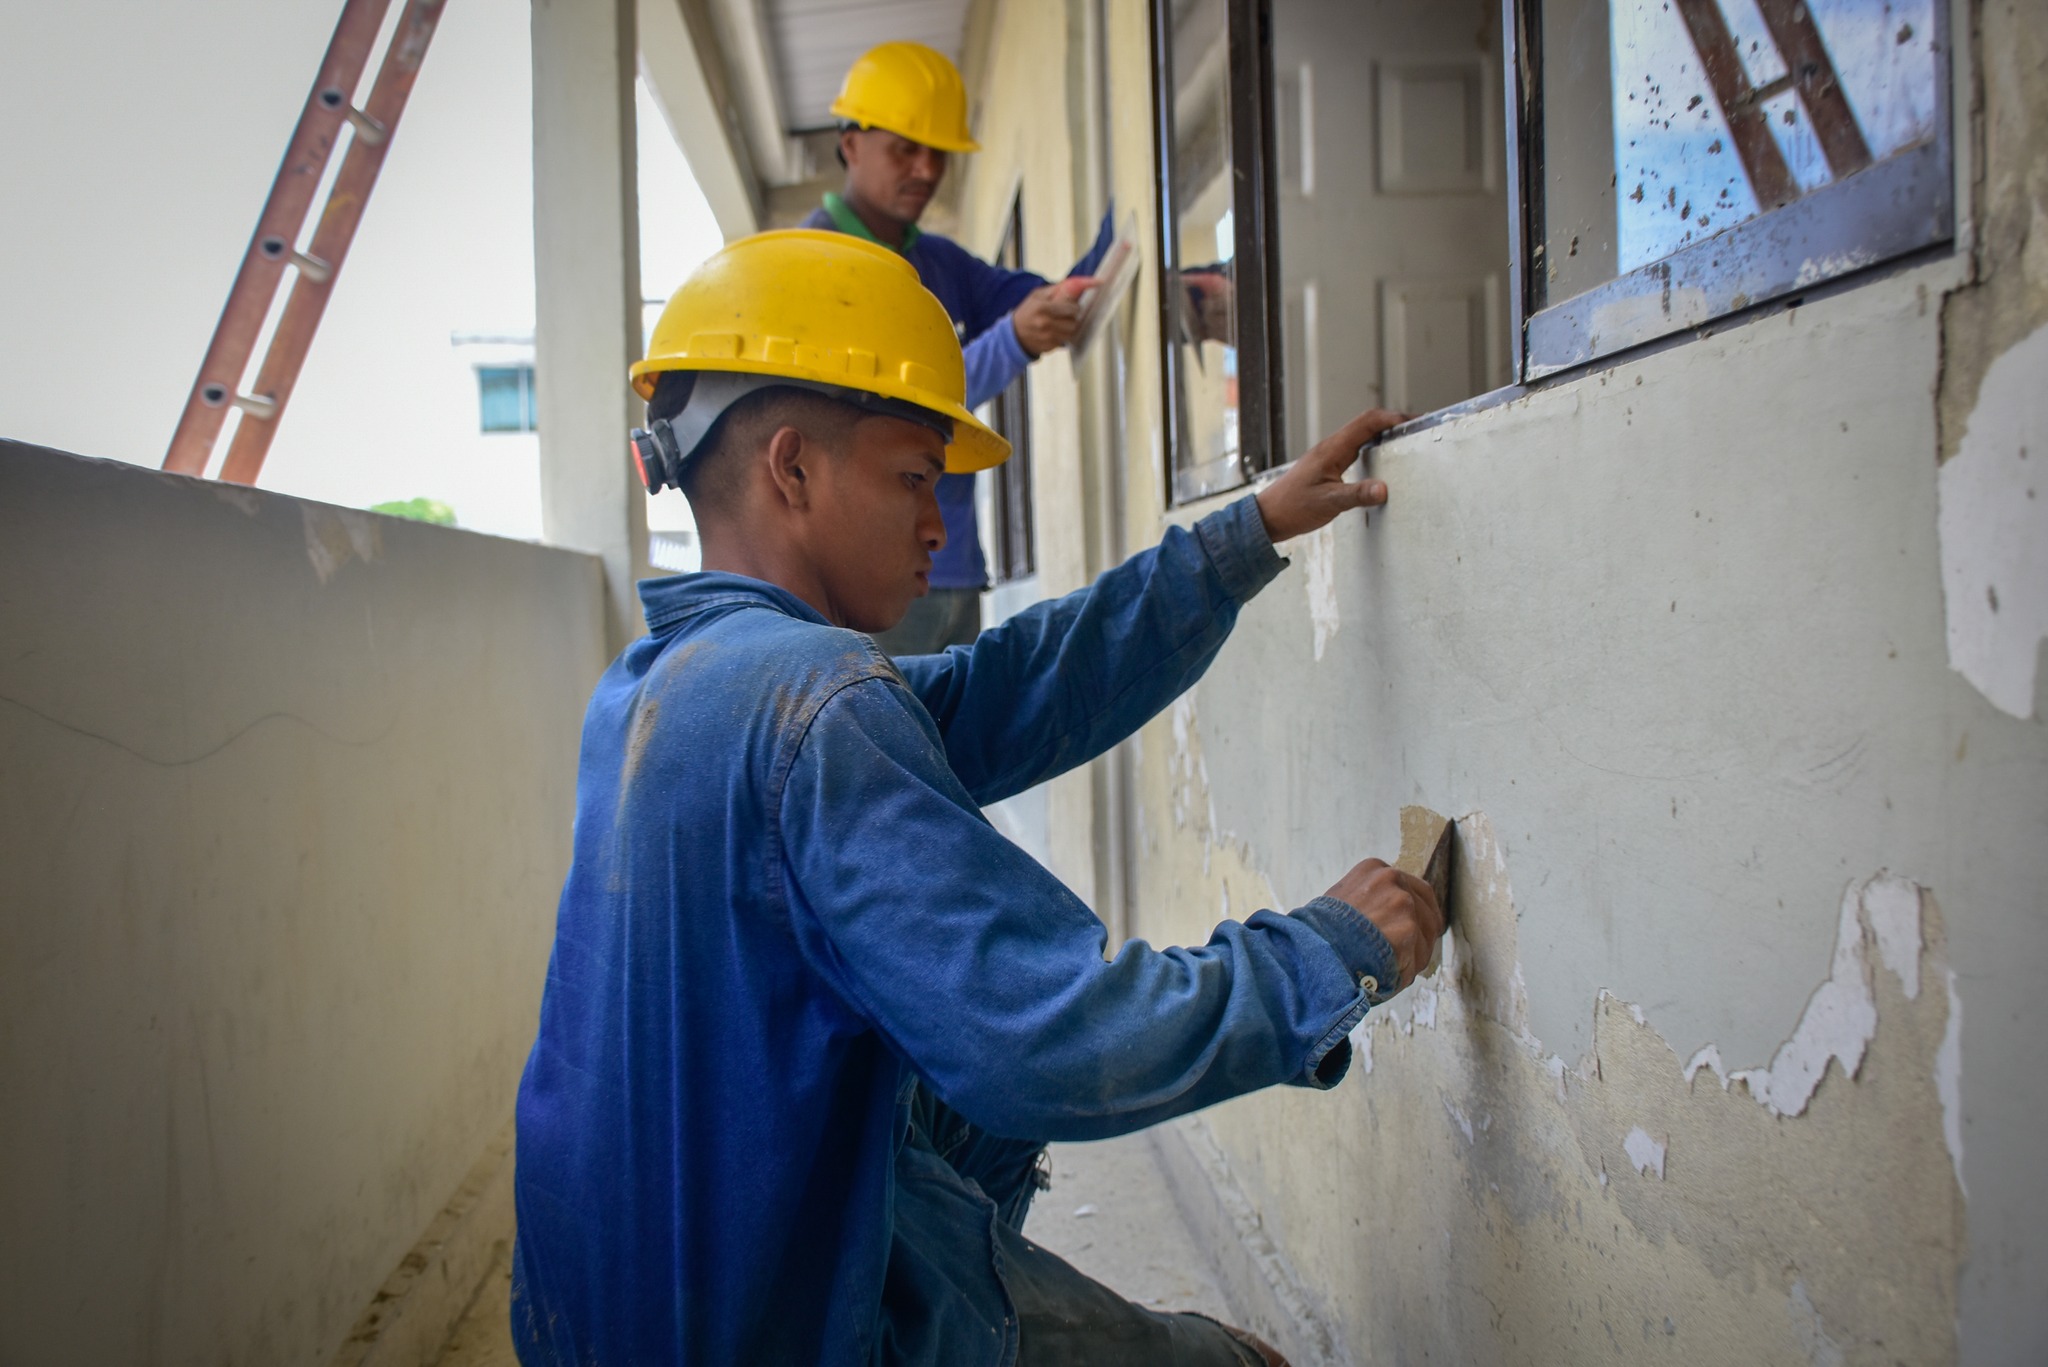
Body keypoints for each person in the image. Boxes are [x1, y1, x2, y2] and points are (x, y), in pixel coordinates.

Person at [509, 228, 1442, 1367]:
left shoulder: (666, 681)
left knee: (959, 1098)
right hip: (759, 1320)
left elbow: (1011, 688)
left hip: (601, 1309)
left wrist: (1238, 538)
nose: (938, 525)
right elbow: (1048, 1038)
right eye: (914, 478)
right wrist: (1320, 958)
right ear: (790, 468)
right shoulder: (816, 697)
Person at [804, 40, 1105, 655]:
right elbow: (883, 408)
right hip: (869, 577)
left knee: (949, 750)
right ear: (850, 143)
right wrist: (1014, 340)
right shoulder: (816, 265)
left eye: (937, 152)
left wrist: (1136, 268)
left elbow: (1044, 296)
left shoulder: (939, 261)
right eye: (905, 149)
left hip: (953, 566)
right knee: (889, 750)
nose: (926, 169)